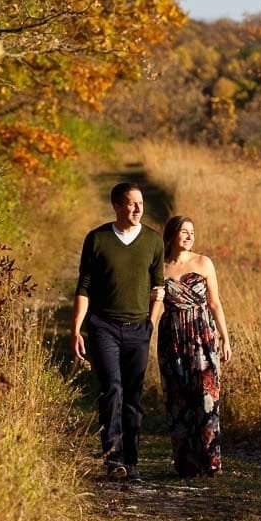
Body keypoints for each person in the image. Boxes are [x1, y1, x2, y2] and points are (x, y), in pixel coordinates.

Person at [73, 182, 165, 482]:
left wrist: (150, 322)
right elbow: (84, 286)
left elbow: (158, 287)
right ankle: (115, 461)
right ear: (117, 206)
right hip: (104, 327)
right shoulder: (97, 239)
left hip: (138, 328)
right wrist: (76, 329)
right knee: (112, 388)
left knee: (133, 395)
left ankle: (133, 460)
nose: (138, 208)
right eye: (130, 203)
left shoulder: (153, 241)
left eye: (140, 203)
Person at [156, 215, 232, 478]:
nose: (189, 236)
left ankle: (210, 460)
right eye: (184, 232)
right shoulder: (160, 267)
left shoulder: (204, 263)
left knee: (206, 396)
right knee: (179, 397)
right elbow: (153, 305)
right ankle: (186, 463)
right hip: (172, 337)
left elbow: (215, 303)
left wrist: (225, 337)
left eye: (192, 232)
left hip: (203, 334)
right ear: (171, 235)